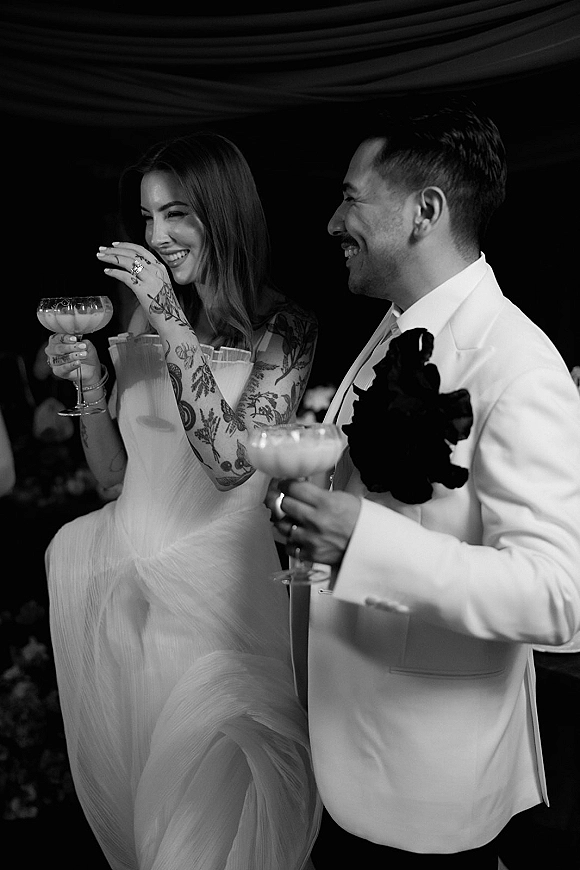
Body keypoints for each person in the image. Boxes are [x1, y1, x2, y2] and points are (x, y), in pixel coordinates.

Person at [267, 99, 580, 868]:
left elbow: (557, 596)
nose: (332, 222)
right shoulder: (388, 328)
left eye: (349, 197)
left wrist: (362, 541)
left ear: (424, 211)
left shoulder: (518, 363)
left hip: (429, 785)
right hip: (339, 754)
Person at [44, 131, 321, 870]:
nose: (156, 236)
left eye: (178, 215)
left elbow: (232, 462)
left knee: (210, 839)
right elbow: (113, 477)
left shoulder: (281, 331)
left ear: (224, 217)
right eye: (146, 218)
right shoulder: (138, 320)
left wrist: (167, 314)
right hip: (131, 613)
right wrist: (87, 385)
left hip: (219, 612)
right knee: (155, 834)